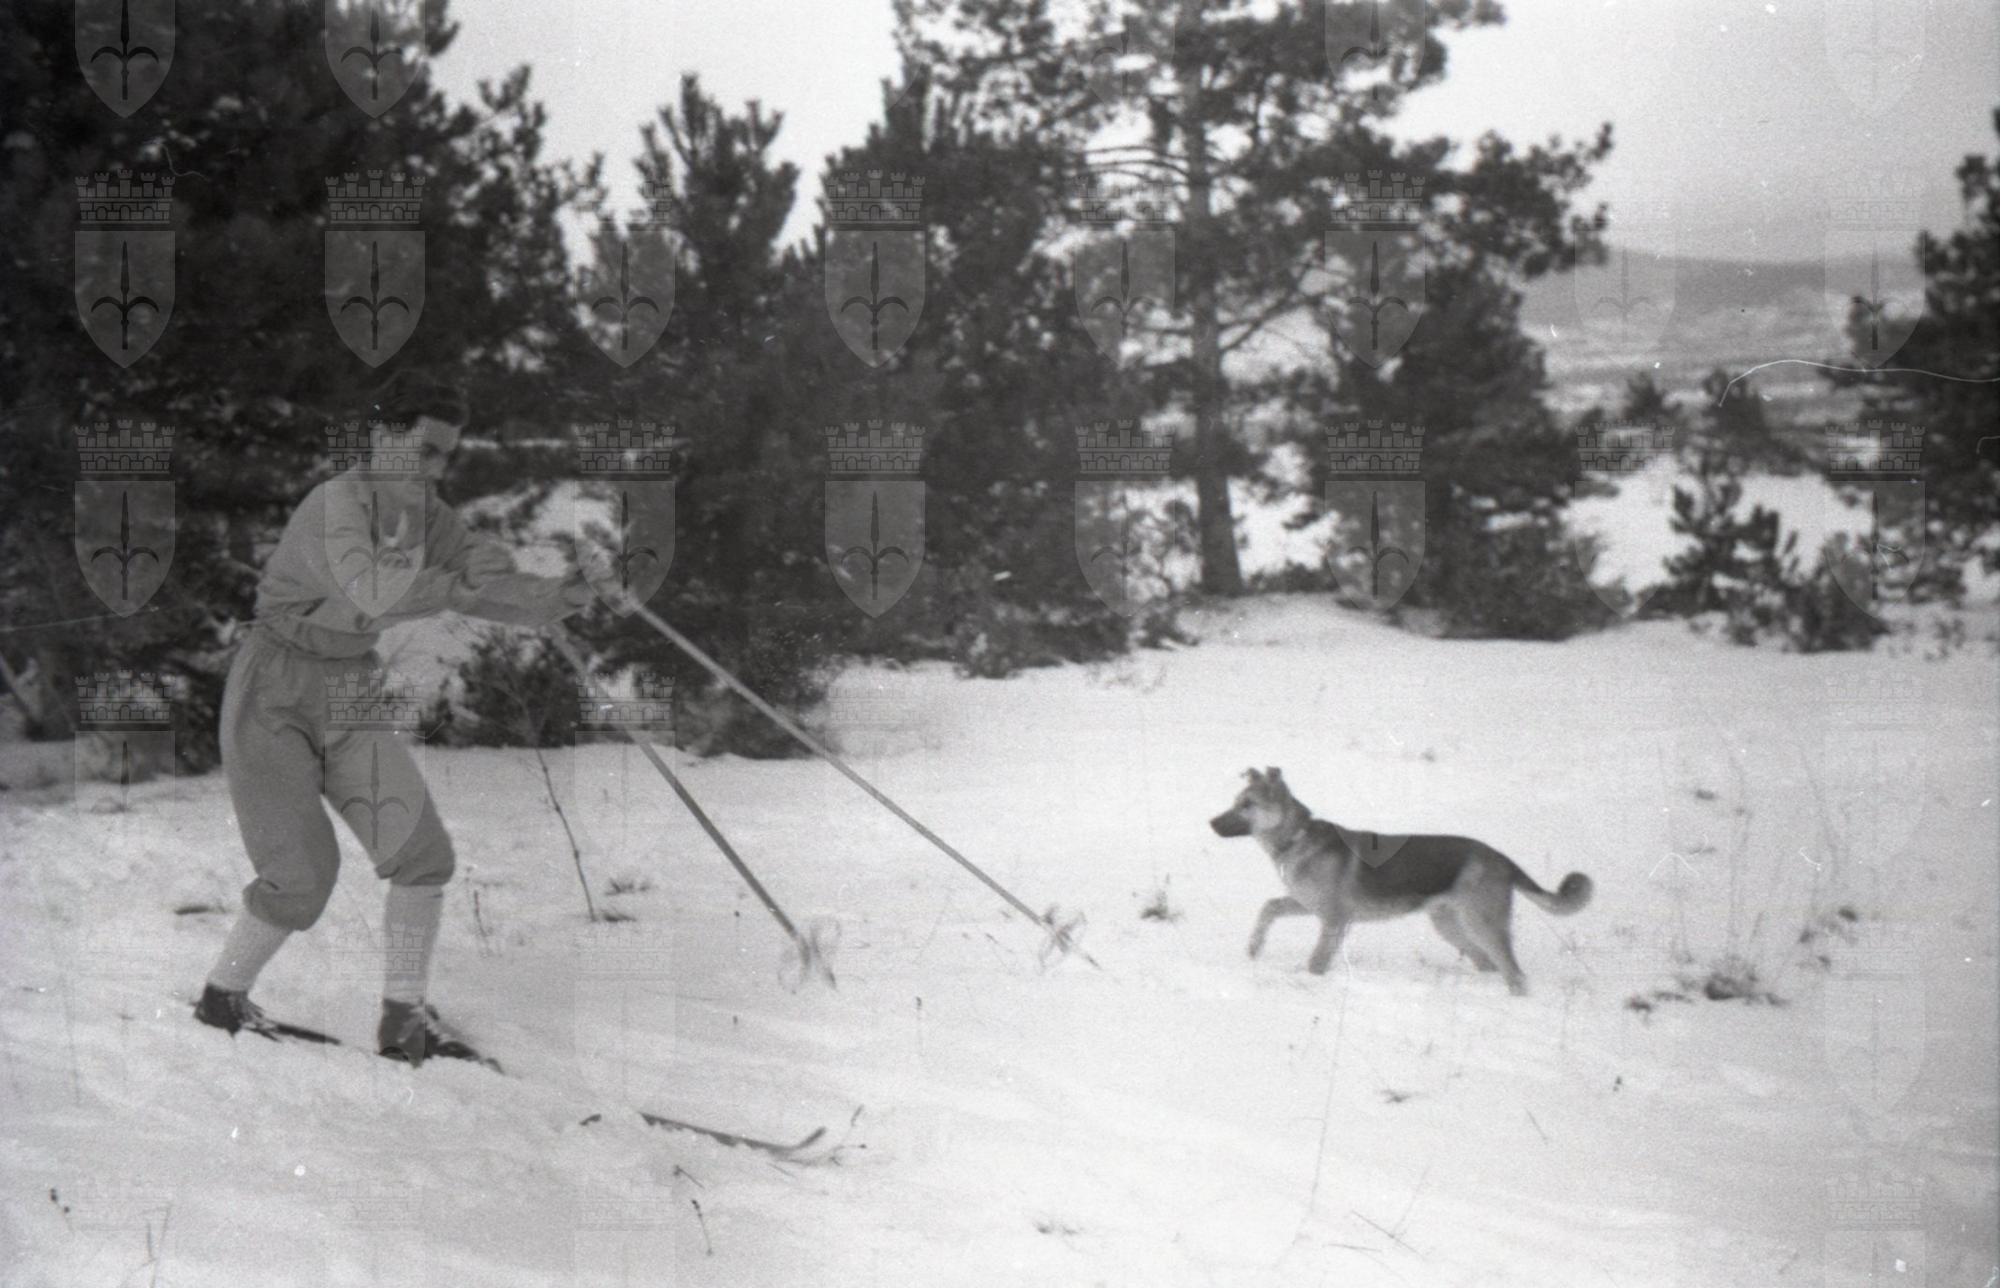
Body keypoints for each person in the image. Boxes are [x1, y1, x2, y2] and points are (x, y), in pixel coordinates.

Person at [195, 371, 593, 1065]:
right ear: (383, 436)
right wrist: (464, 583)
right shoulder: (333, 504)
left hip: (347, 685)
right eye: (426, 450)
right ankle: (223, 996)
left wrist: (567, 593)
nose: (436, 469)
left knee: (421, 853)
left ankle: (403, 1022)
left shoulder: (428, 514)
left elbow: (484, 581)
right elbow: (372, 590)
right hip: (272, 690)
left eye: (446, 456)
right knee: (301, 876)